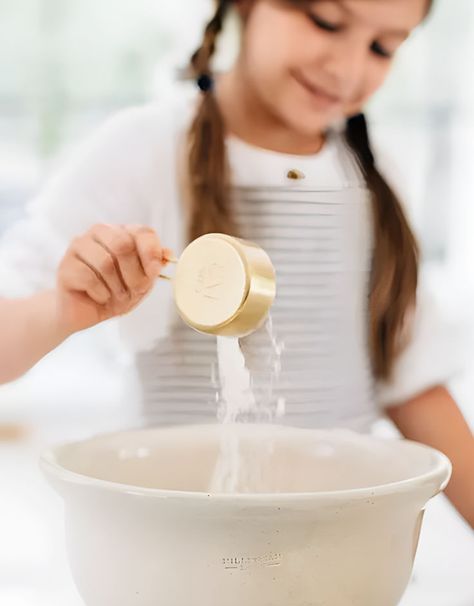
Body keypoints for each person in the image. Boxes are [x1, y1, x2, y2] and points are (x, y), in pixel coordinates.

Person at [0, 0, 472, 525]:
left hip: (335, 542)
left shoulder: (377, 176)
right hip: (173, 543)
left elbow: (412, 382)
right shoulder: (147, 148)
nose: (348, 68)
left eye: (383, 48)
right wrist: (62, 311)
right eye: (327, 22)